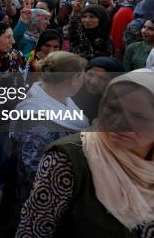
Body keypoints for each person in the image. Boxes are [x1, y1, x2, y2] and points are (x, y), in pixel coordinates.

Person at [16, 70, 154, 237]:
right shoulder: (68, 159)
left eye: (139, 116)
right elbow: (32, 230)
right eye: (113, 109)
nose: (121, 123)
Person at [11, 51, 89, 204]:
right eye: (82, 76)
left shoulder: (62, 99)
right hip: (43, 200)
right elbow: (34, 168)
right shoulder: (36, 116)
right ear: (74, 79)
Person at [73, 57, 123, 122]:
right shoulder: (72, 93)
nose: (93, 82)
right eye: (90, 74)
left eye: (102, 78)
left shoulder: (118, 105)